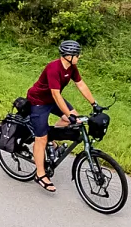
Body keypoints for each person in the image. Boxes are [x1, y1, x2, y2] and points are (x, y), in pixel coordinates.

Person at [27, 40, 96, 193]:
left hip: (52, 99)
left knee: (75, 119)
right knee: (41, 138)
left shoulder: (71, 68)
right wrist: (67, 114)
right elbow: (56, 94)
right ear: (68, 56)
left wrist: (94, 103)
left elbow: (81, 84)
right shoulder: (53, 68)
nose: (79, 56)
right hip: (39, 101)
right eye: (77, 54)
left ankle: (51, 140)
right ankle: (40, 174)